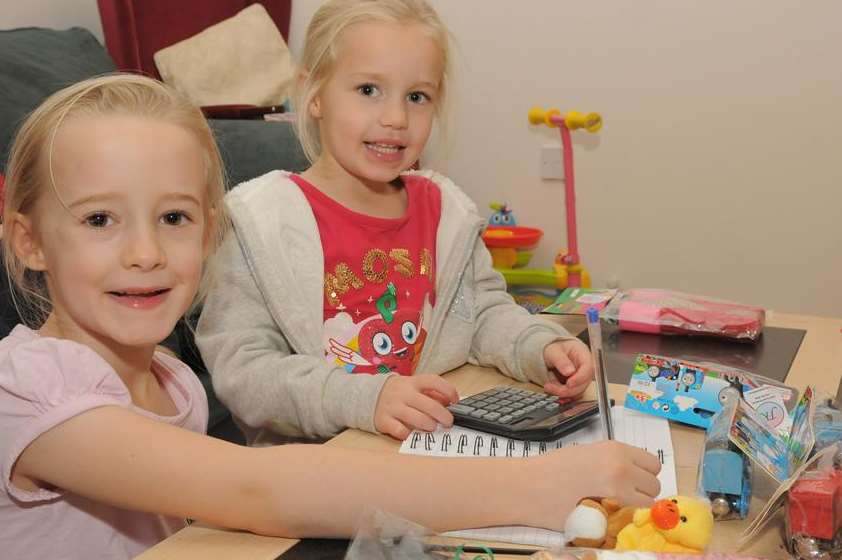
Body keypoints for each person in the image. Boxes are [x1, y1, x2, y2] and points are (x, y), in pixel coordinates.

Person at [0, 74, 660, 560]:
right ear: (28, 241)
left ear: (208, 234)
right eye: (98, 220)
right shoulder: (28, 391)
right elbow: (254, 491)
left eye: (173, 217)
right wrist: (541, 485)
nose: (144, 253)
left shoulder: (168, 375)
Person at [195, 0, 623, 445]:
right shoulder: (258, 222)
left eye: (417, 97)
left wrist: (540, 346)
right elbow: (243, 371)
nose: (396, 118)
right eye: (368, 90)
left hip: (435, 448)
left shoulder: (446, 215)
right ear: (314, 93)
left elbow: (483, 315)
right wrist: (361, 398)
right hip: (316, 473)